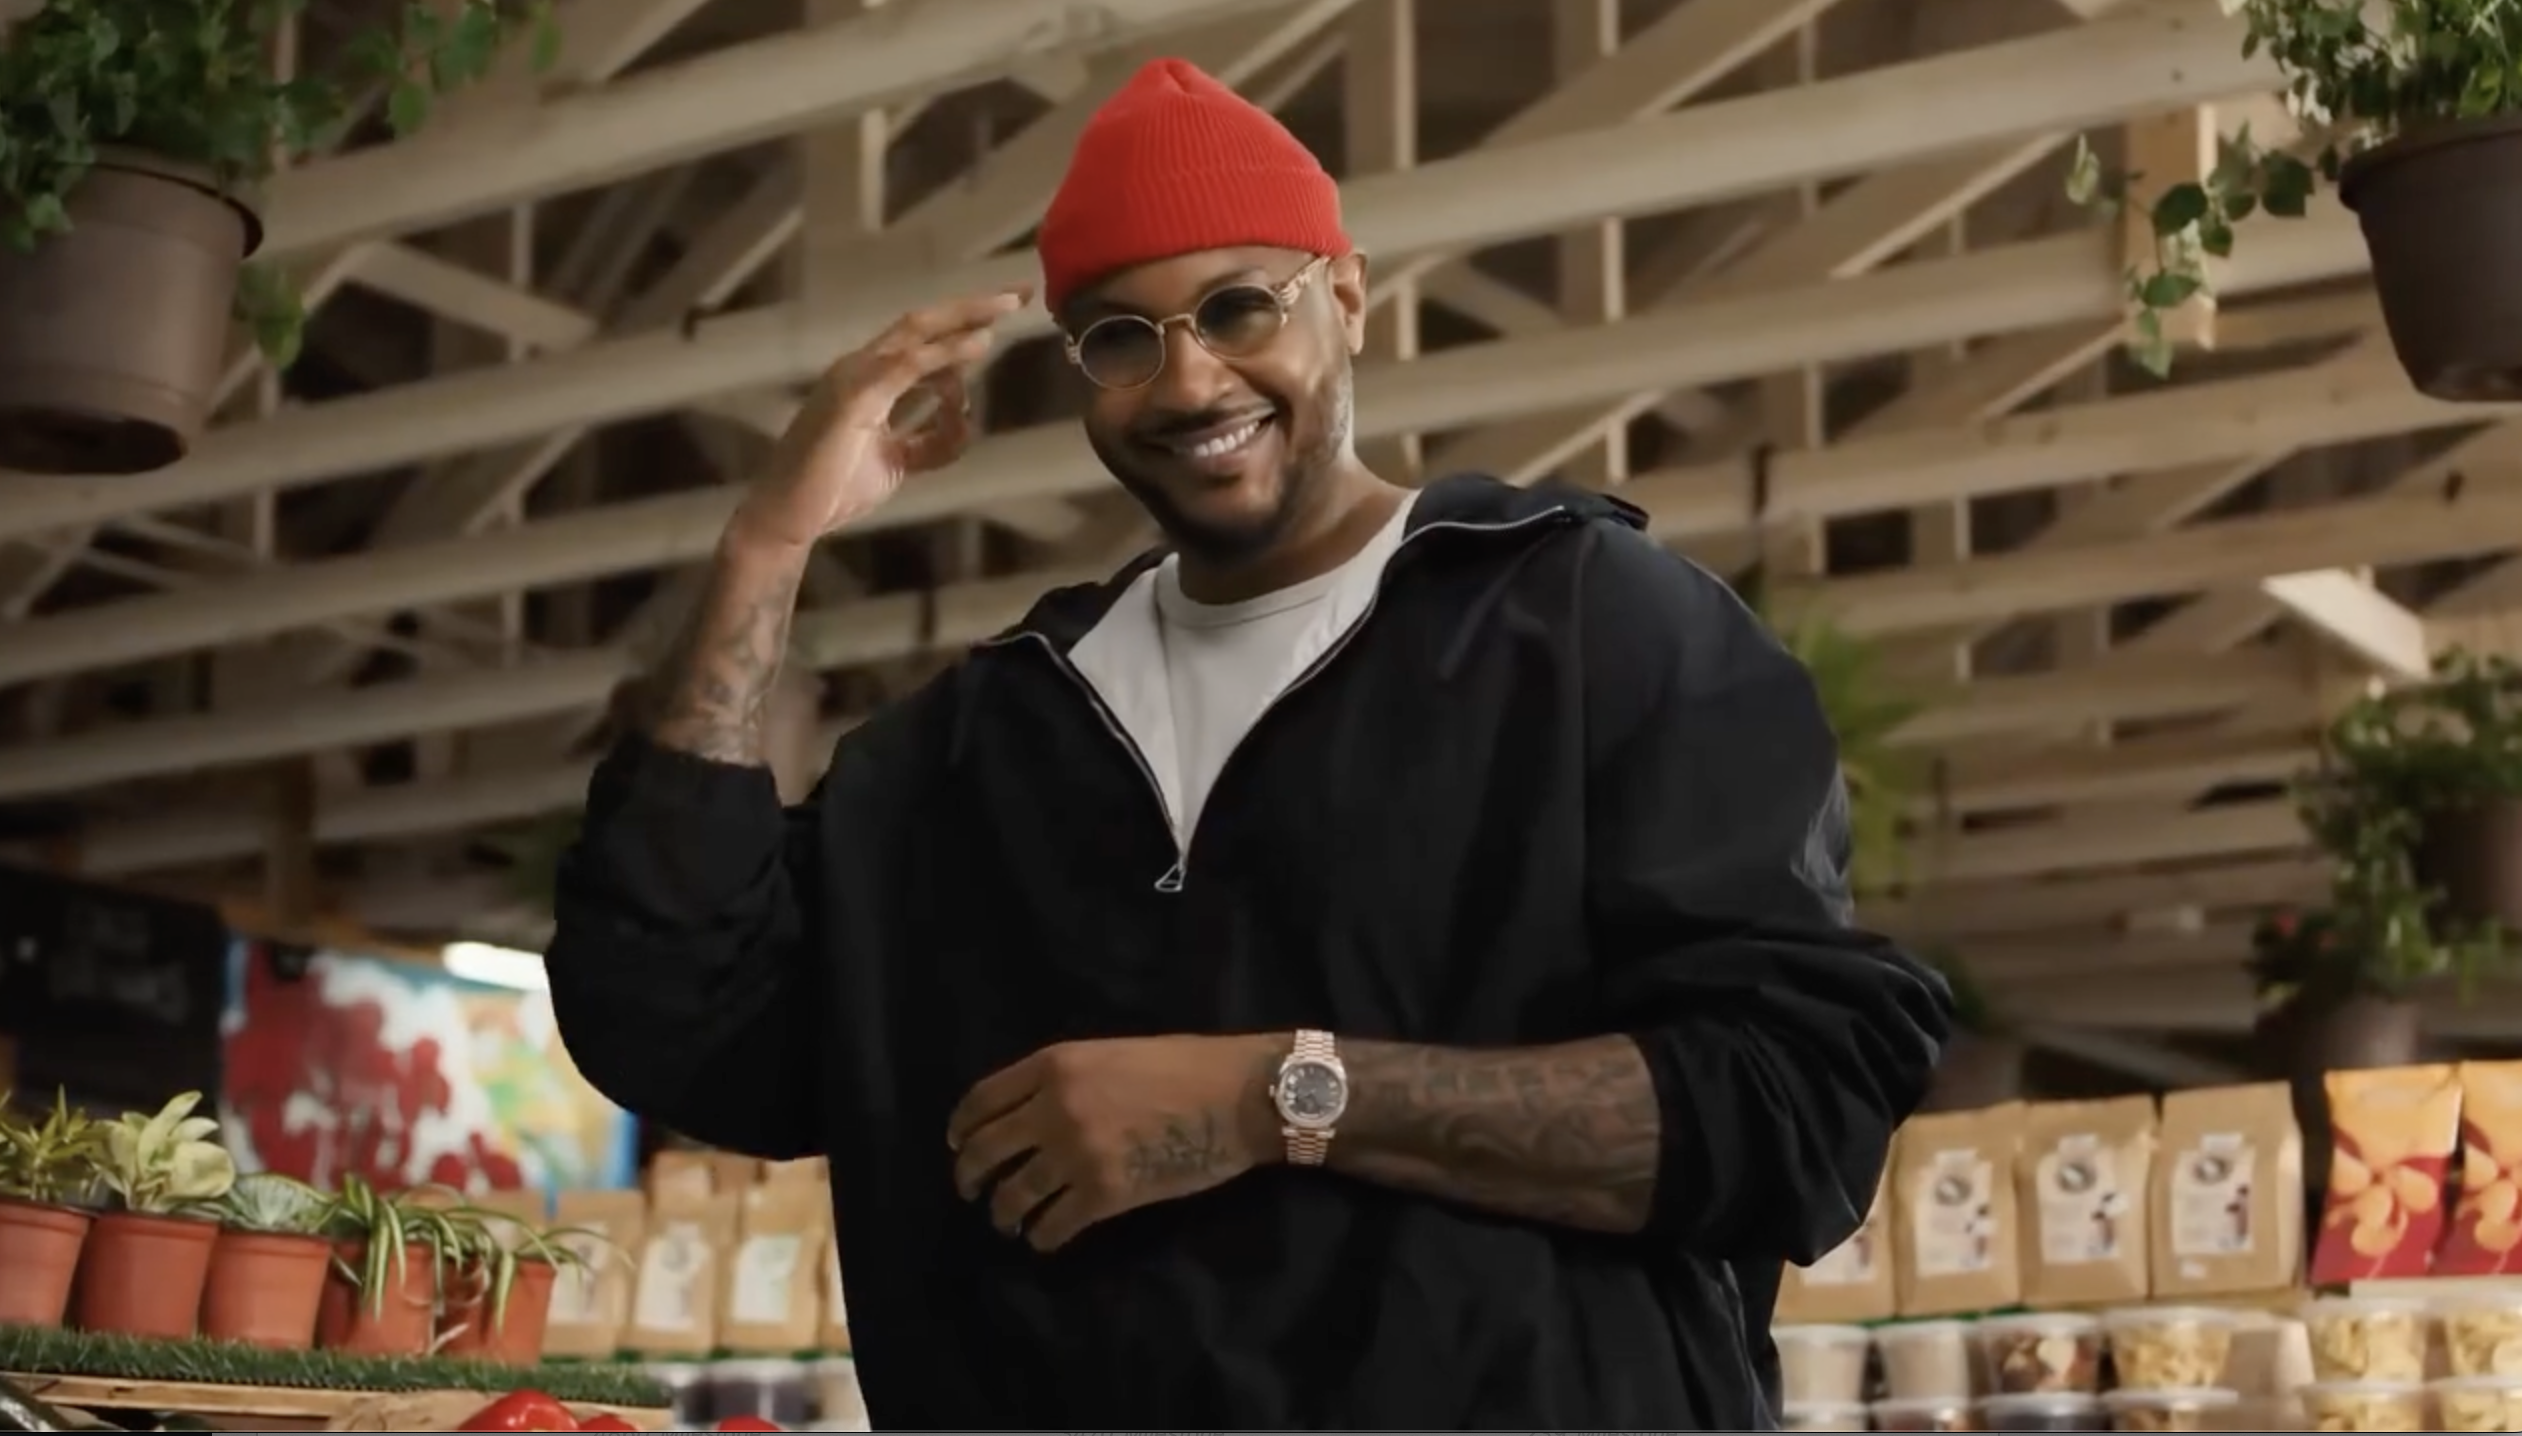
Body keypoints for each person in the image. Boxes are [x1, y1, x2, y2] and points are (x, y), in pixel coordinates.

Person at [545, 56, 1951, 1430]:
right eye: (1119, 337)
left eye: (1235, 307)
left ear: (1347, 297)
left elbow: (1793, 1104)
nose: (1186, 381)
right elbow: (675, 1014)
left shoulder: (1589, 629)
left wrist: (1277, 1094)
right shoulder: (980, 747)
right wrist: (767, 545)